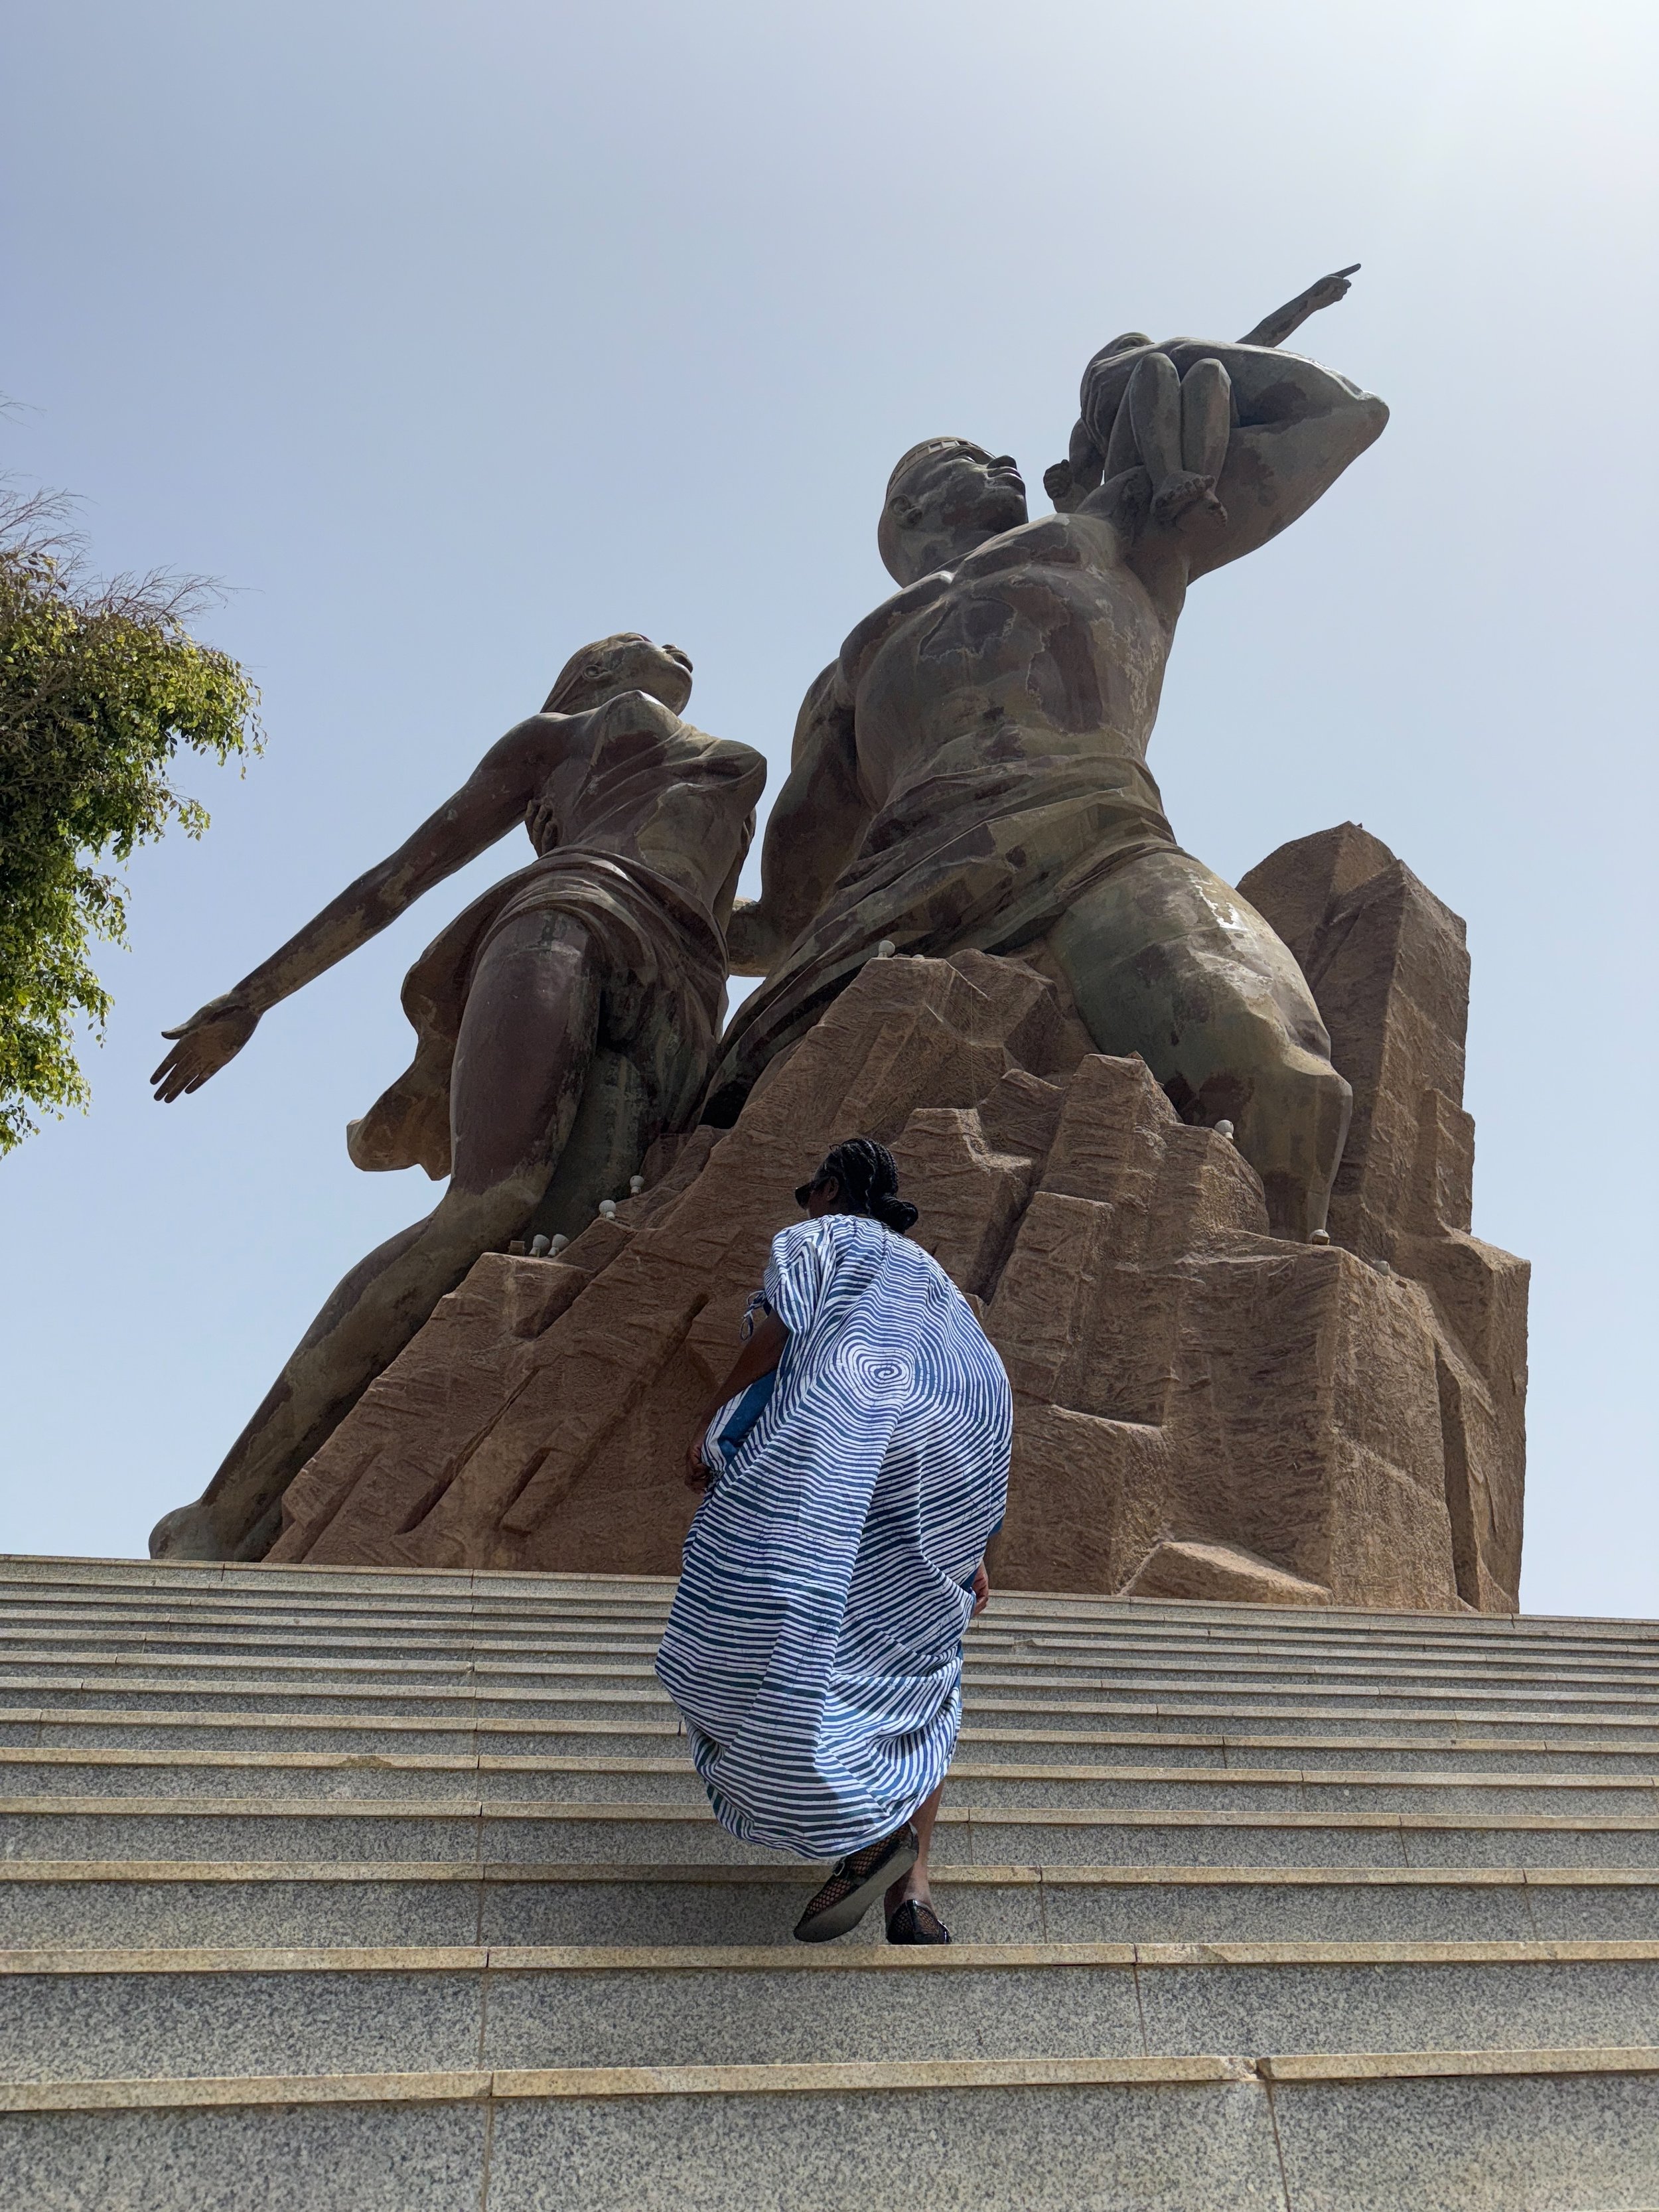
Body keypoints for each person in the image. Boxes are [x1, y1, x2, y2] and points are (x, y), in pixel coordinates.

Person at [707, 269, 1386, 1244]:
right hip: (890, 900)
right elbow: (781, 914)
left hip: (1100, 843)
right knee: (735, 1134)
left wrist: (1179, 361)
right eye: (969, 457)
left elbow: (1343, 415)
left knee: (1279, 1080)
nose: (1007, 460)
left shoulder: (1116, 526)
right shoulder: (852, 672)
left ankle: (1259, 1308)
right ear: (904, 513)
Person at [147, 634, 766, 1561]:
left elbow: (754, 926)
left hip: (683, 995)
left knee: (579, 1240)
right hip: (566, 918)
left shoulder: (731, 771)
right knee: (493, 1205)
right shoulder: (564, 733)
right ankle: (234, 1502)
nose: (671, 644)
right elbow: (400, 877)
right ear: (592, 674)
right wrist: (253, 998)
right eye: (635, 641)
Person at [655, 1138, 1011, 1945]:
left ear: (833, 1190)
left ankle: (871, 1835)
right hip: (941, 1469)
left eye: (808, 1187)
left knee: (746, 1637)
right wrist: (968, 1538)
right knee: (918, 1671)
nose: (802, 1202)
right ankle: (911, 1896)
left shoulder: (819, 1242)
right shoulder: (937, 1286)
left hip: (838, 1456)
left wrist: (713, 1418)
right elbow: (970, 1388)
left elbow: (778, 1338)